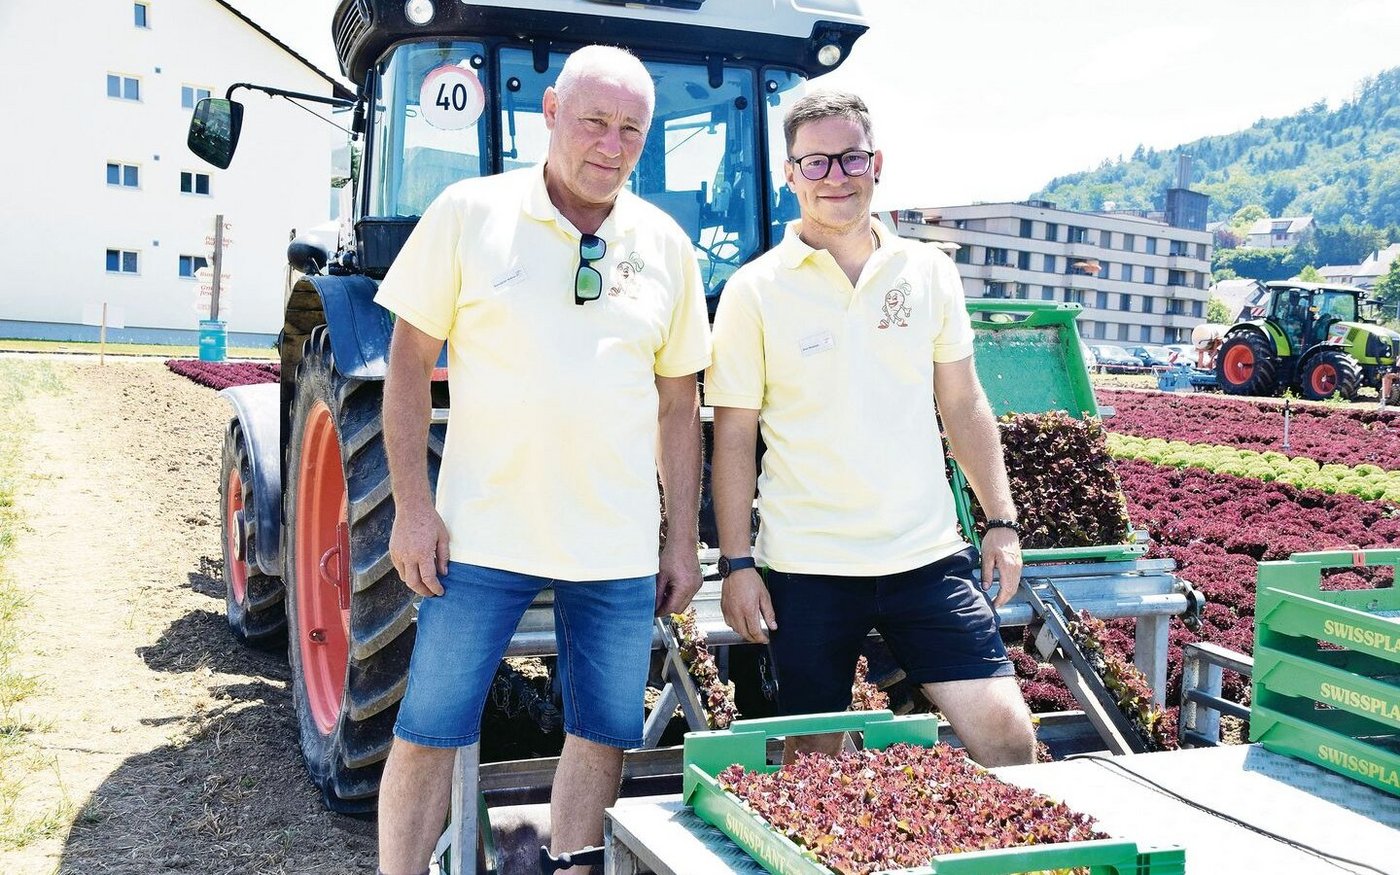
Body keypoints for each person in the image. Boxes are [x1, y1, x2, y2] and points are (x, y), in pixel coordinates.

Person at [373, 45, 710, 875]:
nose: (612, 143)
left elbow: (678, 404)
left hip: (616, 544)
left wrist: (679, 540)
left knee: (602, 730)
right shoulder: (468, 212)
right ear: (551, 110)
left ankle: (570, 868)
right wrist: (413, 508)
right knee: (428, 727)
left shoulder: (665, 245)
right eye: (594, 120)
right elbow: (409, 363)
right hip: (480, 536)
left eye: (632, 128)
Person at [706, 90, 1035, 767]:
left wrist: (1000, 520)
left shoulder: (928, 271)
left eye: (850, 158)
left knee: (1007, 736)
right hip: (808, 567)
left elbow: (964, 403)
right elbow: (735, 435)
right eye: (817, 163)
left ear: (876, 162)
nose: (837, 177)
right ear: (790, 174)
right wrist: (737, 563)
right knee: (813, 760)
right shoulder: (754, 290)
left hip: (926, 558)